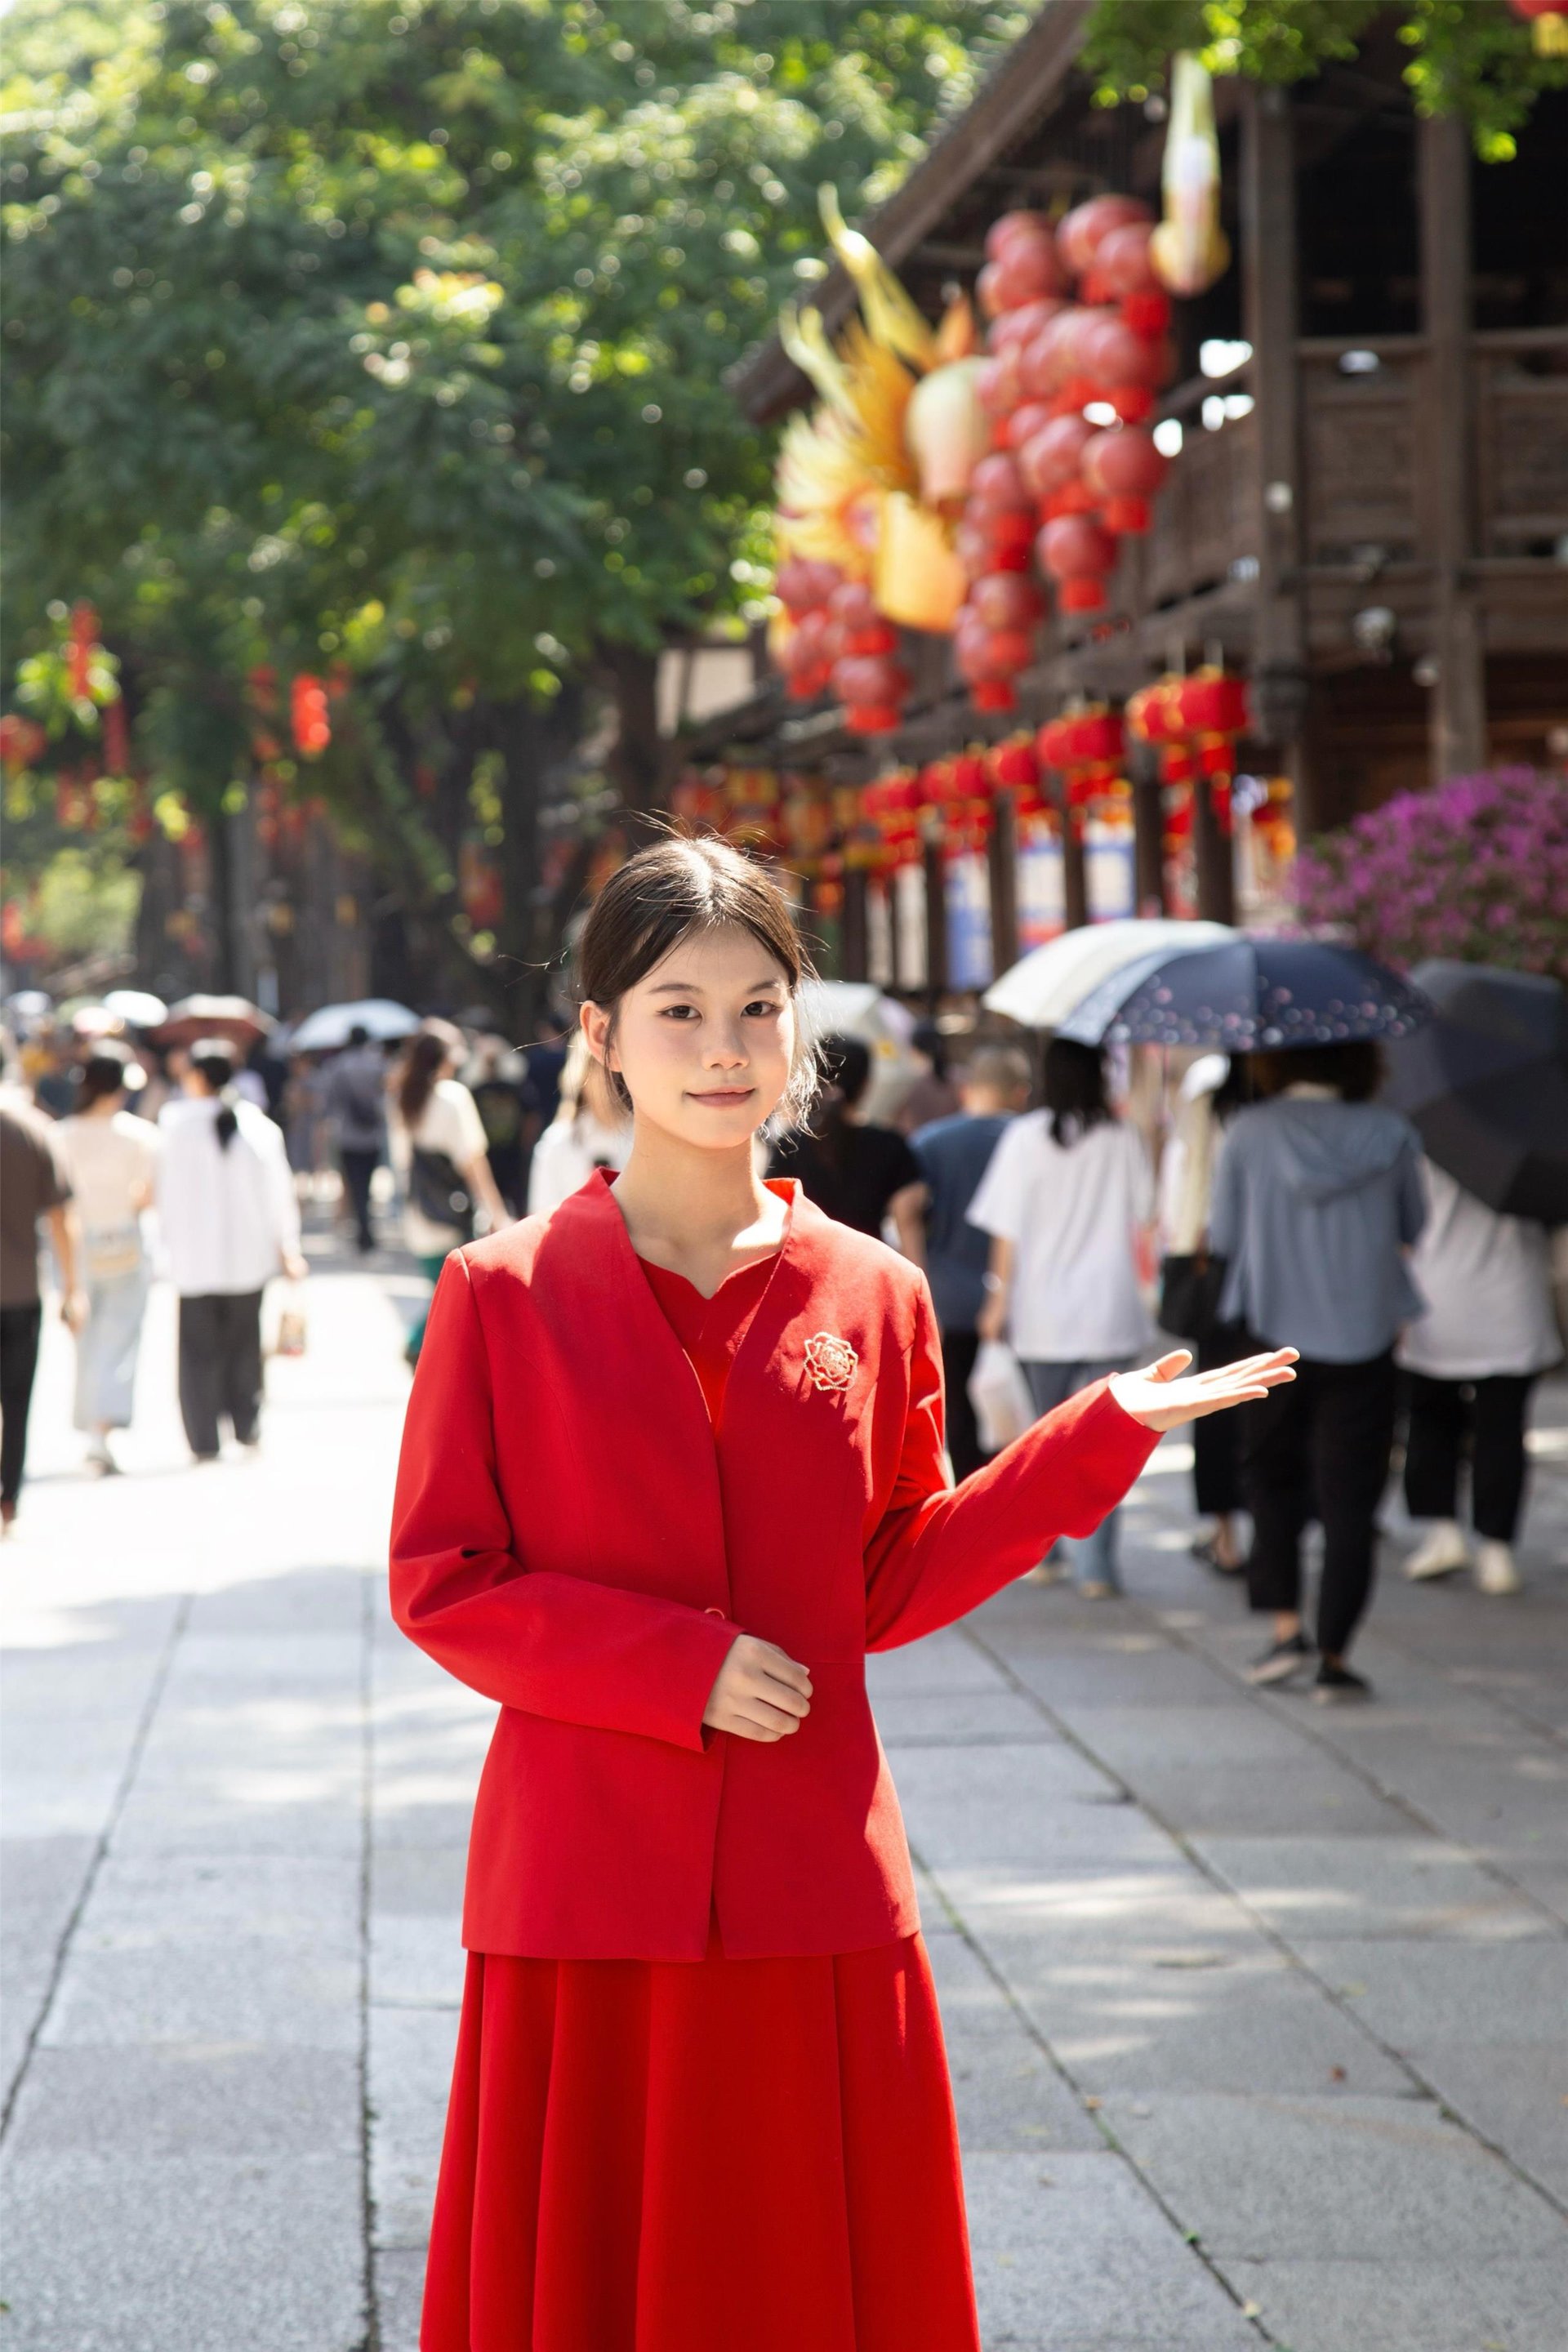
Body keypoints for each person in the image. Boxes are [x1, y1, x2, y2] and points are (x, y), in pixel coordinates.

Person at [388, 834, 1294, 2352]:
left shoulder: (874, 1292)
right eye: (678, 1010)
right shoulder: (503, 1289)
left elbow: (889, 1575)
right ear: (599, 1034)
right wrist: (670, 1667)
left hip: (814, 1861)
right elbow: (443, 1583)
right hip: (586, 1873)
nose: (724, 1048)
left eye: (758, 1007)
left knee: (810, 2275)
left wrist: (1093, 1443)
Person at [1209, 1040, 1426, 1701]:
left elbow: (1222, 1236)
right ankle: (1336, 1649)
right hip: (1365, 1334)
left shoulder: (1248, 1130)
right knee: (1351, 1499)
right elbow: (1413, 1225)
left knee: (1270, 1477)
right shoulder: (1393, 1133)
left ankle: (1284, 1628)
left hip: (1273, 1330)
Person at [970, 1038, 1158, 1597]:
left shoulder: (1024, 1138)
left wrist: (997, 1299)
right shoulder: (1122, 1138)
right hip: (1110, 1310)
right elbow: (1146, 1215)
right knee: (1109, 1441)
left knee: (1044, 1441)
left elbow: (1006, 1230)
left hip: (1041, 1314)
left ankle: (1044, 1554)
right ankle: (1097, 1567)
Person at [1398, 1160, 1561, 1597]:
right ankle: (1495, 1546)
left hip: (1438, 1301)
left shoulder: (1427, 1143)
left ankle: (1443, 1530)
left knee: (1432, 1423)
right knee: (1502, 1431)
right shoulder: (1535, 1146)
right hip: (1512, 1300)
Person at [157, 1041, 307, 1462]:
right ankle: (248, 1425)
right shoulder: (259, 1128)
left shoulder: (174, 1125)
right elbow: (280, 1195)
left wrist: (161, 1247)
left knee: (198, 1353)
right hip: (249, 1258)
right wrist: (288, 1248)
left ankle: (204, 1438)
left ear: (199, 1077)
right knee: (245, 1346)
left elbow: (161, 1196)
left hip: (193, 1260)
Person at [907, 1045, 1032, 1482]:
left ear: (968, 1090)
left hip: (949, 1297)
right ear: (1021, 1092)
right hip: (1025, 1298)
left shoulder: (929, 1143)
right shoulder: (1033, 1139)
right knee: (1023, 1412)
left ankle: (971, 1500)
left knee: (958, 1411)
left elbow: (912, 1217)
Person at [1157, 1054, 1257, 1574]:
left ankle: (1225, 1536)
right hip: (1273, 1273)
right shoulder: (1275, 1113)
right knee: (1274, 1402)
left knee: (1218, 1403)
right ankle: (1270, 1530)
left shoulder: (1204, 1107)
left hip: (1212, 1268)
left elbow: (1182, 1190)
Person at [56, 1044, 159, 1474]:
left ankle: (93, 1431)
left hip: (76, 1241)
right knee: (117, 1337)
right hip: (124, 1239)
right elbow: (147, 1196)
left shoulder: (61, 1134)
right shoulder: (140, 1136)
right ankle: (101, 1430)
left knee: (87, 1337)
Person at [390, 1019, 510, 1365]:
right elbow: (473, 1163)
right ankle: (417, 1346)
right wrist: (497, 1212)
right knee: (453, 1296)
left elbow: (401, 1162)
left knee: (441, 1290)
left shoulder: (402, 1099)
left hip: (419, 1214)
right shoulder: (452, 1098)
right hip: (452, 1214)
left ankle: (428, 1353)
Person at [1, 1054, 87, 1532]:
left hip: (18, 1290)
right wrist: (72, 1287)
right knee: (16, 1400)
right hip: (18, 1290)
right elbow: (60, 1216)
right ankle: (8, 1498)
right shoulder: (34, 1129)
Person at [767, 1031, 925, 1250]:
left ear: (811, 1078)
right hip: (869, 1268)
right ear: (866, 1084)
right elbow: (908, 1222)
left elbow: (773, 1219)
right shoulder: (891, 1145)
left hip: (803, 1272)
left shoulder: (789, 1143)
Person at [525, 1030, 630, 1214]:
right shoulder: (559, 1141)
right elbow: (542, 1214)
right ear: (582, 1073)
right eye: (598, 1066)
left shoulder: (648, 1135)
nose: (610, 1076)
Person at [324, 1022, 388, 1252]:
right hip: (372, 1135)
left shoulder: (338, 1066)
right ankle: (366, 1231)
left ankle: (363, 1233)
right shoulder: (378, 1064)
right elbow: (385, 1096)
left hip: (348, 1136)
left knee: (354, 1185)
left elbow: (330, 1103)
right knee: (368, 1186)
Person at [897, 1018, 963, 1135]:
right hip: (953, 1142)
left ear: (914, 1049)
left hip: (918, 1145)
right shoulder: (960, 1076)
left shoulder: (908, 1083)